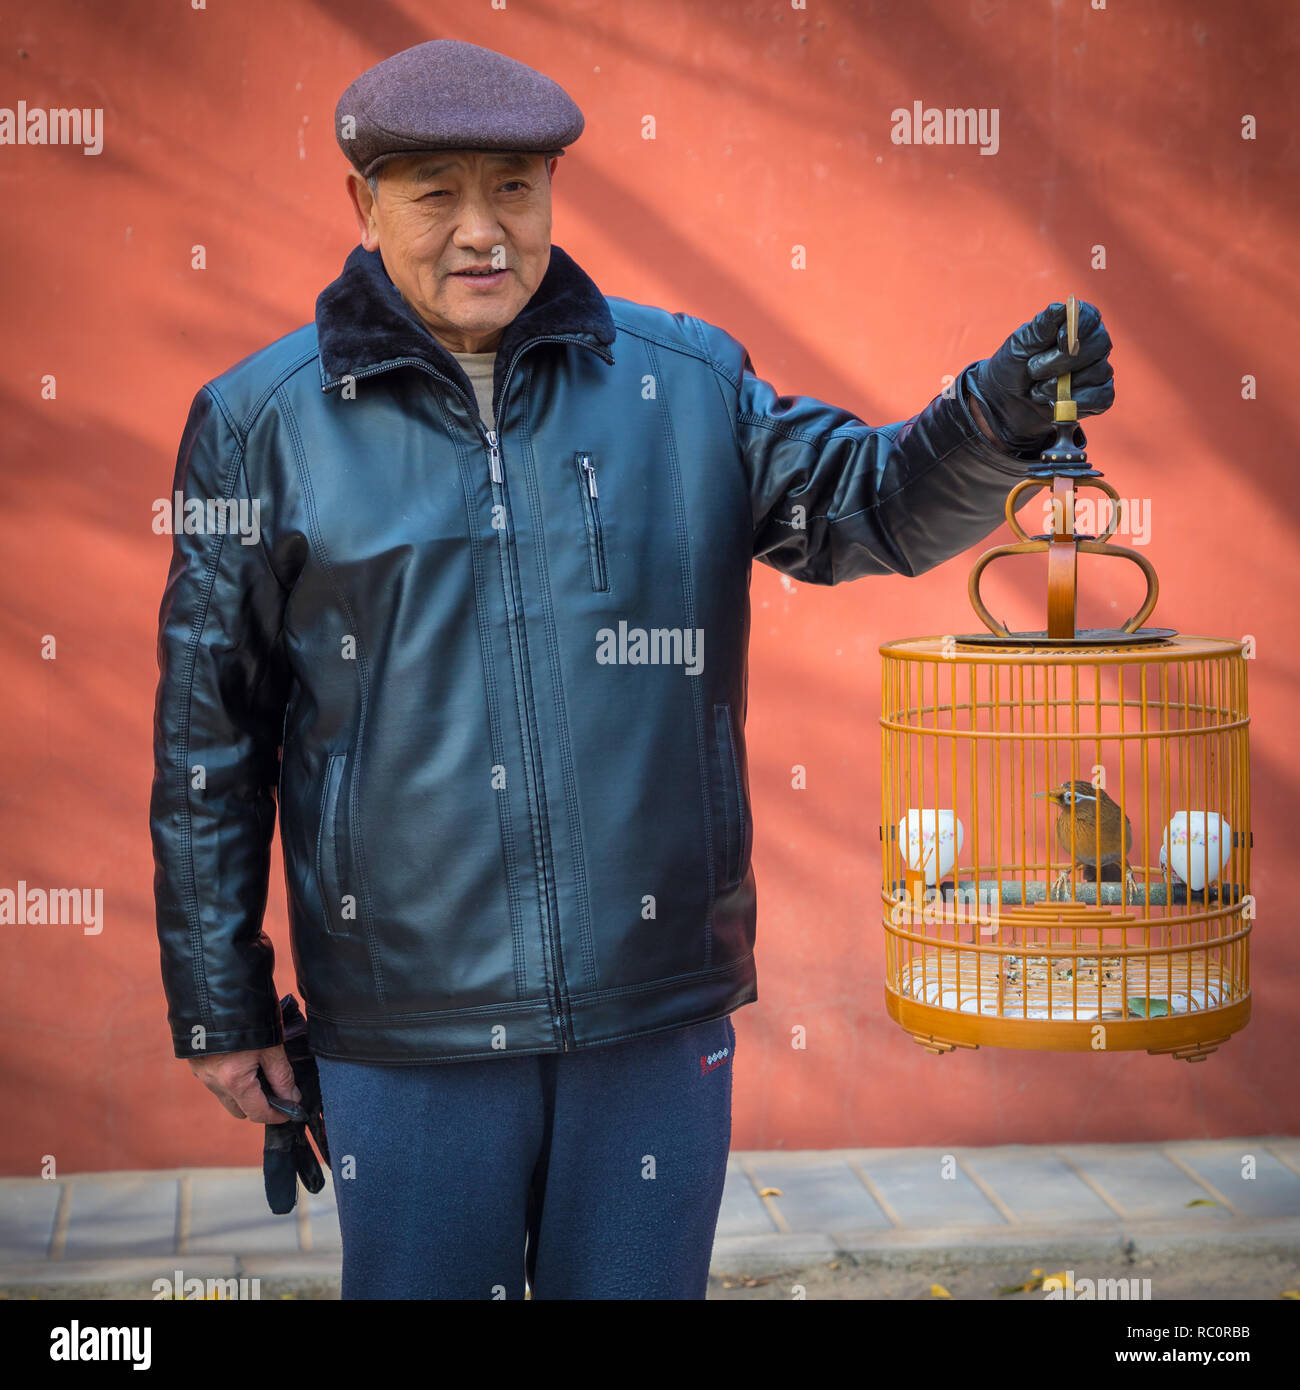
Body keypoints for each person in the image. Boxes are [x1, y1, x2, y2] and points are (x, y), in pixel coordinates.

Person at [149, 38, 1114, 1300]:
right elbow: (206, 736)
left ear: (554, 189)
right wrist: (221, 1006)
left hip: (652, 1007)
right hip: (409, 1026)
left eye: (516, 187)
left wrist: (991, 418)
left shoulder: (685, 384)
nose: (482, 229)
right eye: (436, 191)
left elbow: (863, 505)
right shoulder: (259, 422)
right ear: (363, 203)